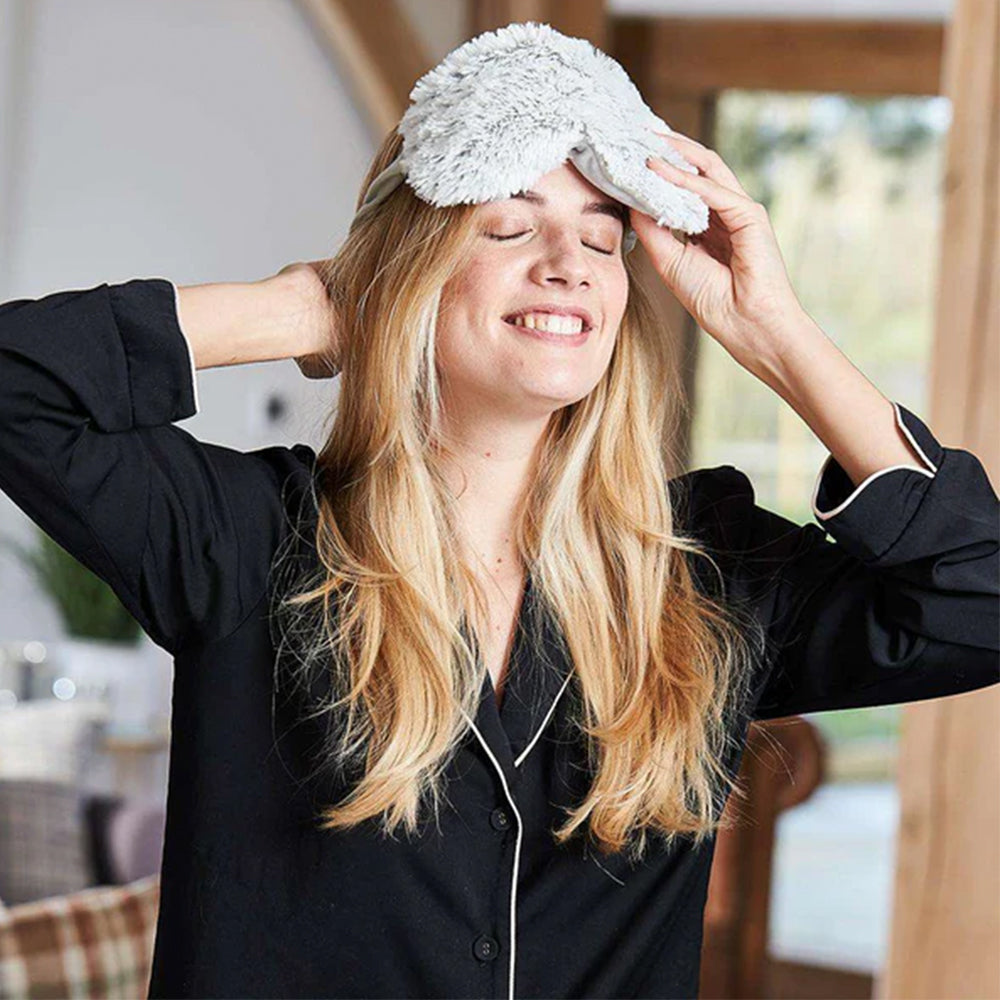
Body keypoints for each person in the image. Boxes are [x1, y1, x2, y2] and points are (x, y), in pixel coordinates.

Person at [2, 44, 998, 1000]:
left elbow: (977, 597)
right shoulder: (249, 541)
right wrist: (317, 306)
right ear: (415, 265)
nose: (568, 262)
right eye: (510, 226)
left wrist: (772, 329)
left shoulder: (703, 568)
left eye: (603, 236)